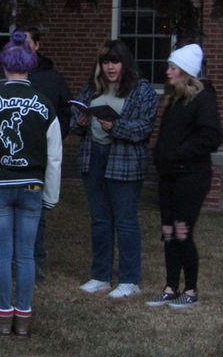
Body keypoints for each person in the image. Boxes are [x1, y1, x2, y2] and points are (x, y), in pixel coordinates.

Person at [0, 31, 62, 336]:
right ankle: (24, 316)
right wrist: (51, 196)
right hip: (31, 185)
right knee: (26, 254)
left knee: (1, 254)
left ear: (4, 66)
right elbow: (55, 156)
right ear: (30, 67)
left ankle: (3, 315)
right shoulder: (45, 104)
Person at [71, 39, 158, 298]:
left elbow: (144, 127)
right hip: (94, 156)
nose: (110, 67)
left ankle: (129, 280)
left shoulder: (141, 90)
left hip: (124, 160)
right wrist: (81, 121)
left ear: (125, 63)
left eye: (115, 61)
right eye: (106, 61)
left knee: (125, 221)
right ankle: (100, 276)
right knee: (100, 221)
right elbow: (75, 123)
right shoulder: (91, 88)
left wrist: (116, 127)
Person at [147, 43, 223, 308]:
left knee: (182, 232)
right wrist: (160, 156)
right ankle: (170, 287)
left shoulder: (203, 99)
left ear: (185, 72)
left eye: (172, 68)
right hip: (169, 175)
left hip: (191, 176)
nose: (167, 72)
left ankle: (190, 290)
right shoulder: (174, 98)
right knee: (168, 231)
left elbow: (212, 137)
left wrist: (179, 153)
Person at [13, 26, 72, 280]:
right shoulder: (7, 74)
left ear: (37, 45)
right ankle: (12, 259)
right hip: (11, 152)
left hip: (39, 155)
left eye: (27, 43)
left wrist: (55, 140)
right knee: (8, 208)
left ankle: (34, 261)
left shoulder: (53, 78)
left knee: (35, 209)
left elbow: (64, 112)